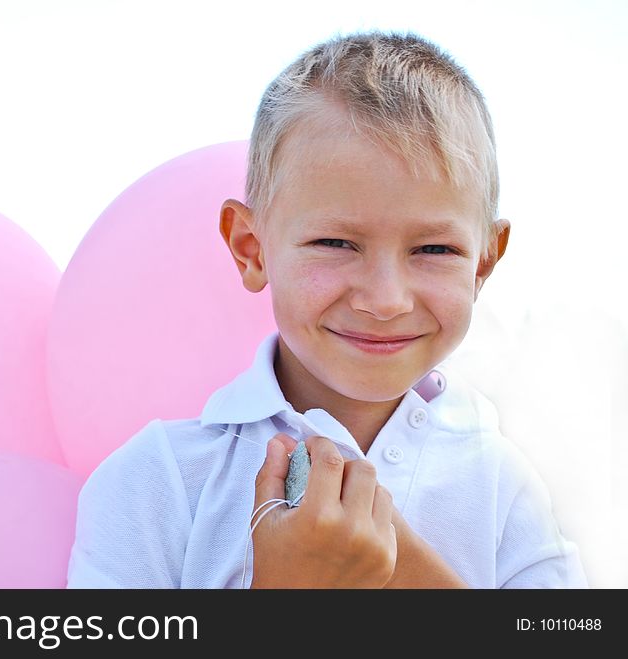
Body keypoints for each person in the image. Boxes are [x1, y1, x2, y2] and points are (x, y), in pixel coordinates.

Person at [66, 31, 587, 588]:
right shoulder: (156, 480)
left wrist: (406, 575)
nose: (386, 300)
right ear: (251, 247)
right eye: (335, 244)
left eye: (435, 249)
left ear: (483, 263)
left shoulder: (507, 492)